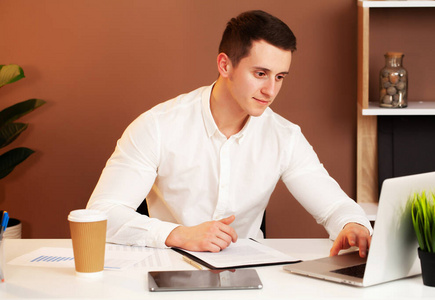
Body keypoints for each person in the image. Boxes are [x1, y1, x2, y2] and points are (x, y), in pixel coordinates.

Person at [87, 10, 372, 258]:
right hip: (169, 264)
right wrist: (180, 234)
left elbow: (334, 206)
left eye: (280, 77)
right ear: (225, 65)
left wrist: (352, 225)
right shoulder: (157, 126)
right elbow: (102, 215)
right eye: (260, 74)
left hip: (250, 272)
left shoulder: (284, 137)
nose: (271, 91)